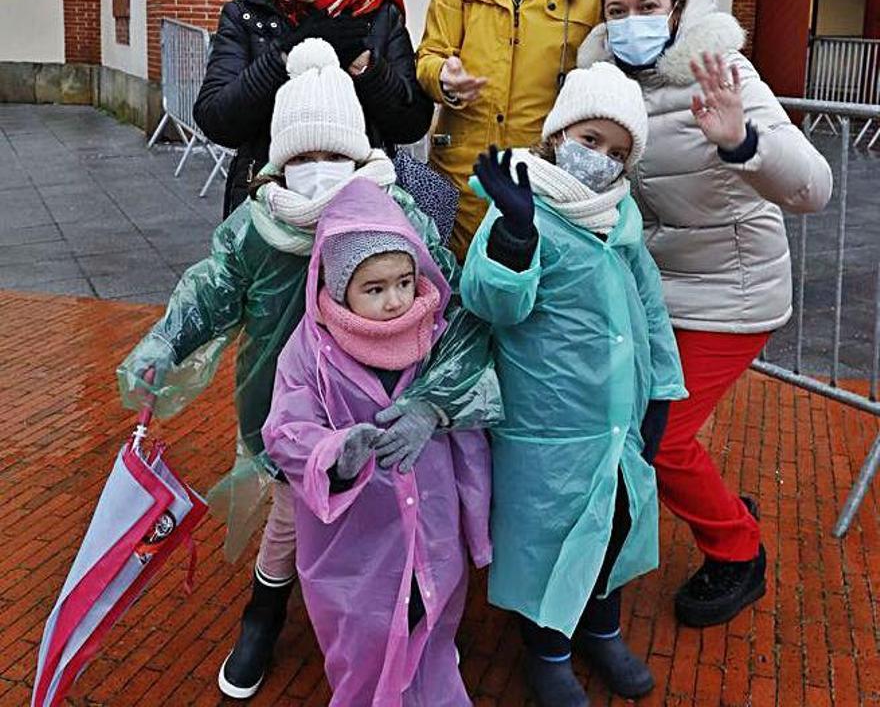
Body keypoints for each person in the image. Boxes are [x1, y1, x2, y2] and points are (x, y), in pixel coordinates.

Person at [117, 40, 495, 700]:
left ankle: (420, 616)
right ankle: (264, 614)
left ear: (360, 154)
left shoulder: (395, 217)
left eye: (334, 156)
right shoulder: (260, 226)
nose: (320, 170)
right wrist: (164, 343)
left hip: (383, 409)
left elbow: (446, 304)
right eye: (305, 158)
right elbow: (210, 289)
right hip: (287, 410)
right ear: (280, 162)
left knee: (396, 521)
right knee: (293, 518)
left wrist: (432, 403)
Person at [577, 0, 833, 627]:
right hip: (660, 293)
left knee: (661, 437)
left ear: (678, 9)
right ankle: (703, 516)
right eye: (618, 11)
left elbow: (813, 188)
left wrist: (742, 142)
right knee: (631, 425)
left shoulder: (722, 72)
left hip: (735, 294)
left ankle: (738, 551)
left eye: (648, 7)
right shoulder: (606, 83)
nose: (633, 22)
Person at [460, 63, 687, 707]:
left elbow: (650, 313)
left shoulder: (622, 217)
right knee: (549, 539)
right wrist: (514, 235)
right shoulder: (524, 206)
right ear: (559, 132)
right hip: (547, 426)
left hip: (620, 418)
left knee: (613, 525)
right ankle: (547, 651)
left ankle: (601, 628)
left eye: (618, 152)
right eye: (591, 139)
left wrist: (663, 391)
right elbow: (490, 302)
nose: (602, 160)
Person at [262, 178, 495, 706]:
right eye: (374, 288)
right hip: (356, 548)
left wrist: (438, 409)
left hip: (436, 533)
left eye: (405, 282)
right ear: (339, 287)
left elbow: (478, 388)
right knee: (363, 645)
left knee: (432, 628)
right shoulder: (311, 353)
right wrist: (334, 454)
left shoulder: (438, 335)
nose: (395, 301)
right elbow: (285, 429)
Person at [194, 0, 432, 217]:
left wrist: (365, 66)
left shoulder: (378, 13)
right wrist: (285, 56)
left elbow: (411, 122)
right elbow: (217, 119)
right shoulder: (245, 16)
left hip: (362, 202)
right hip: (268, 202)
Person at [416, 0, 601, 260]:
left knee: (521, 297)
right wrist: (443, 77)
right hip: (460, 181)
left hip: (540, 183)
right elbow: (427, 56)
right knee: (457, 302)